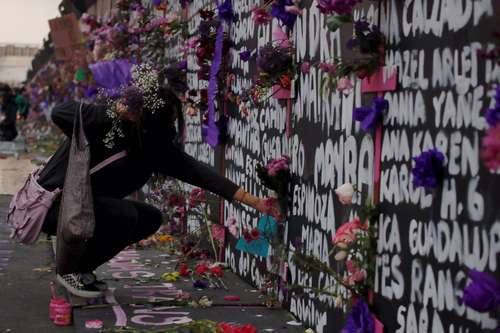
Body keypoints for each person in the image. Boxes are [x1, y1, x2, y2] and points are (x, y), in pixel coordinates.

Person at [38, 84, 280, 298]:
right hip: (52, 205)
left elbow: (201, 174)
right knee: (124, 215)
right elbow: (60, 113)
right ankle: (68, 270)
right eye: (168, 118)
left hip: (83, 210)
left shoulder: (154, 148)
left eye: (174, 118)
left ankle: (80, 267)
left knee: (149, 218)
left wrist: (256, 202)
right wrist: (114, 111)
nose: (173, 125)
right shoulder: (107, 127)